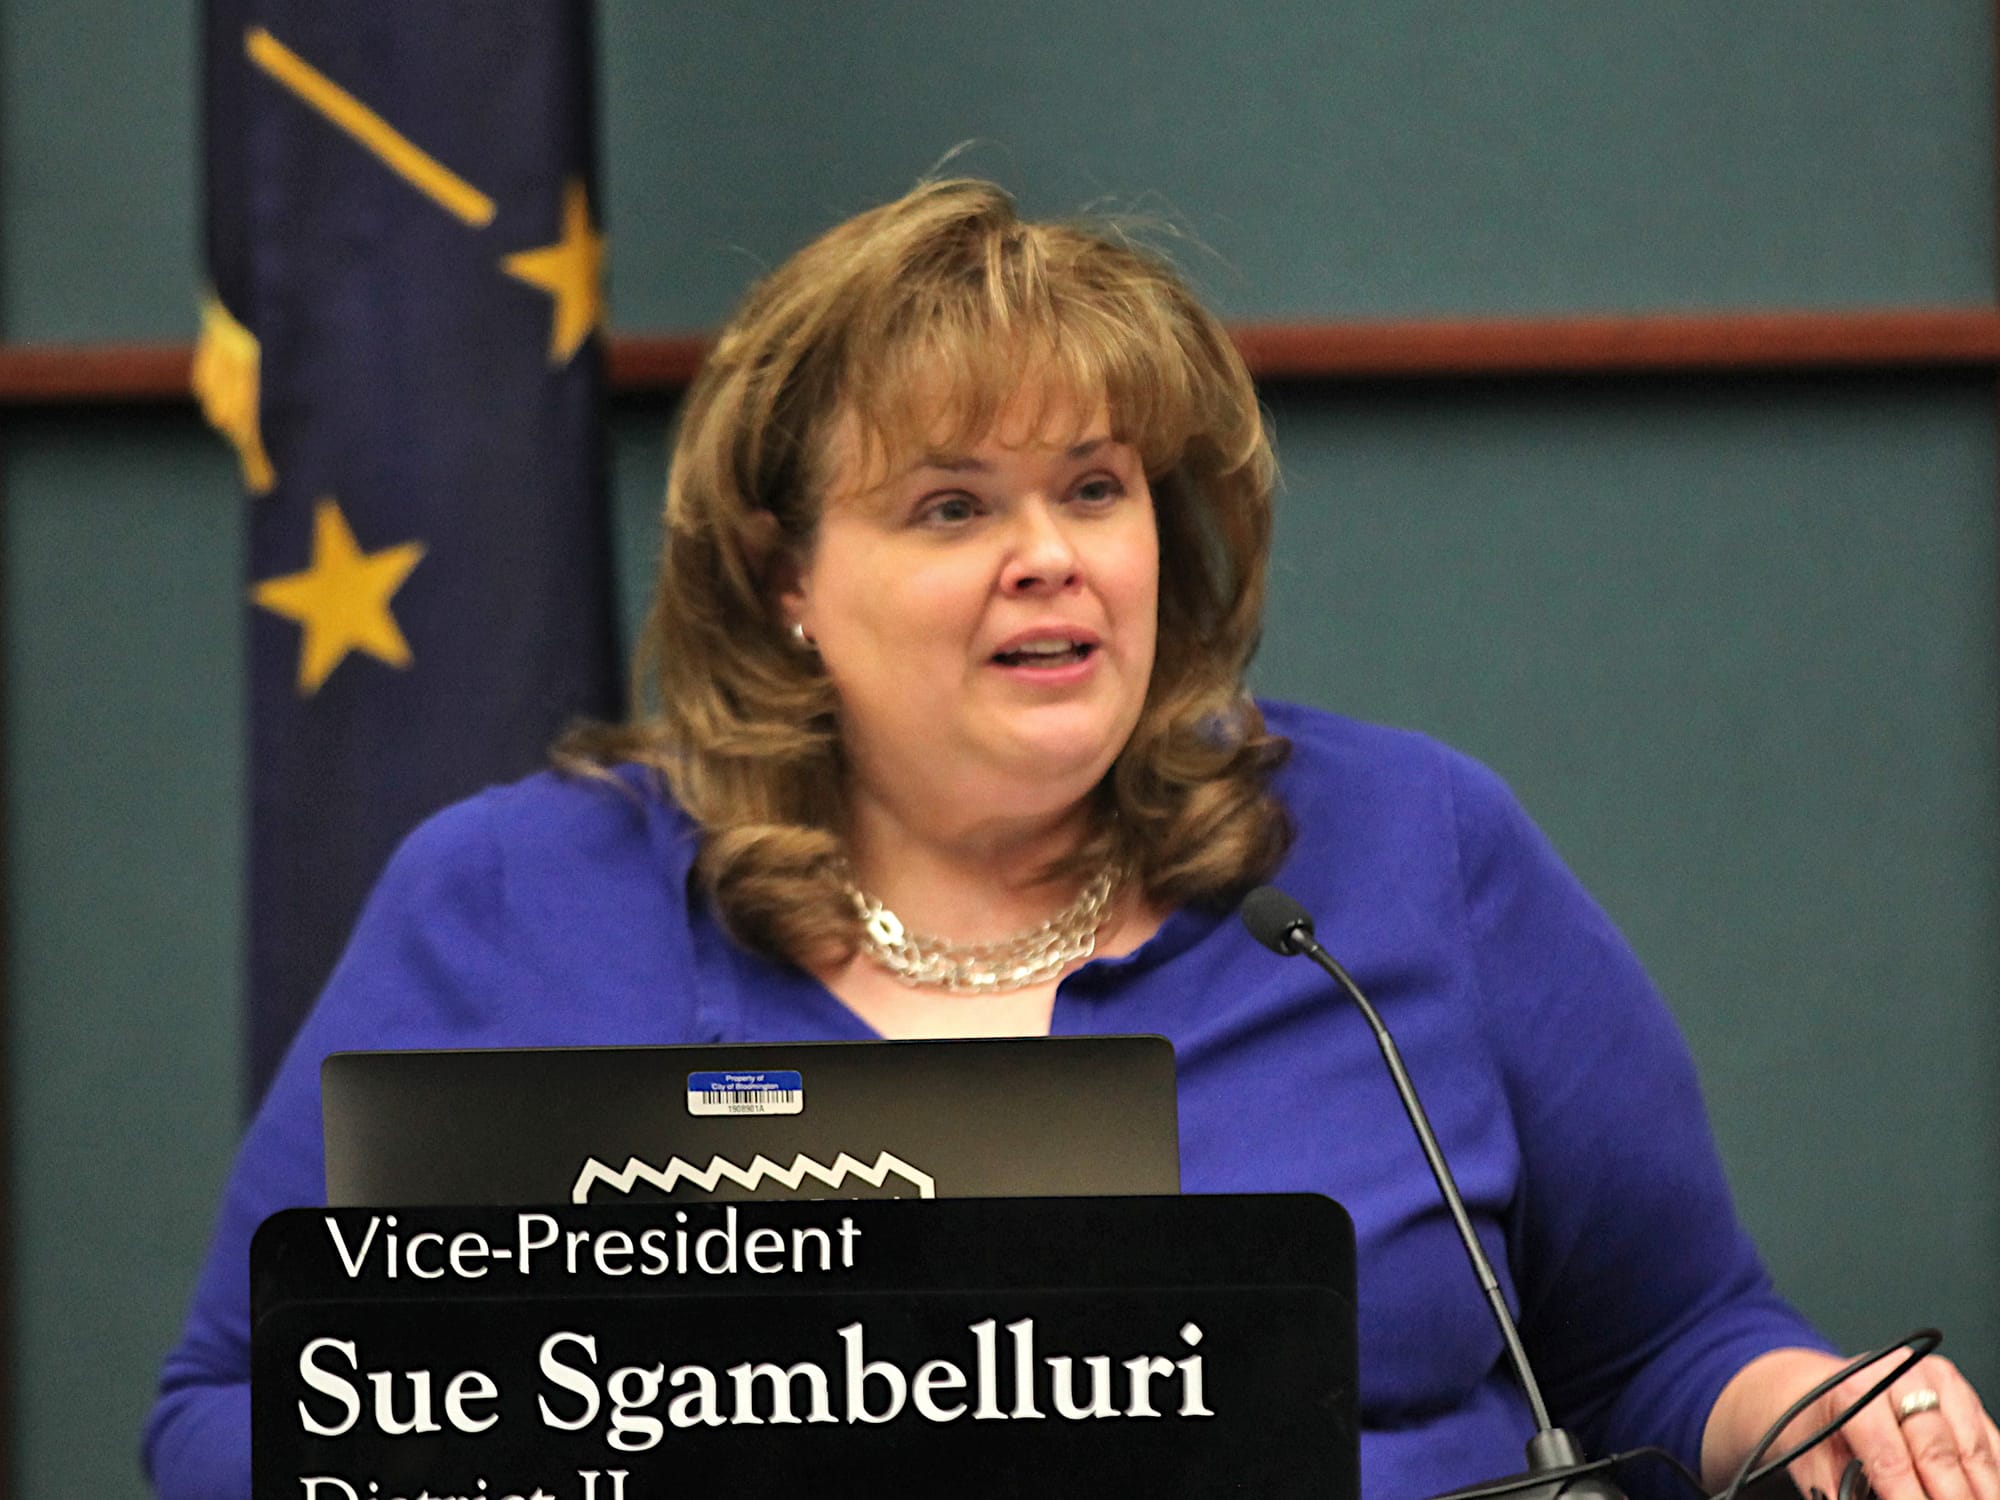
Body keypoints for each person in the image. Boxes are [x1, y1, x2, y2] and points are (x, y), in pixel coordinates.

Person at [146, 179, 1999, 1500]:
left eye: (1094, 490)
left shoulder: (1392, 853)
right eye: (952, 505)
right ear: (785, 578)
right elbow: (229, 1411)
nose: (1051, 554)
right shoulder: (513, 899)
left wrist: (1820, 1415)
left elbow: (1672, 1341)